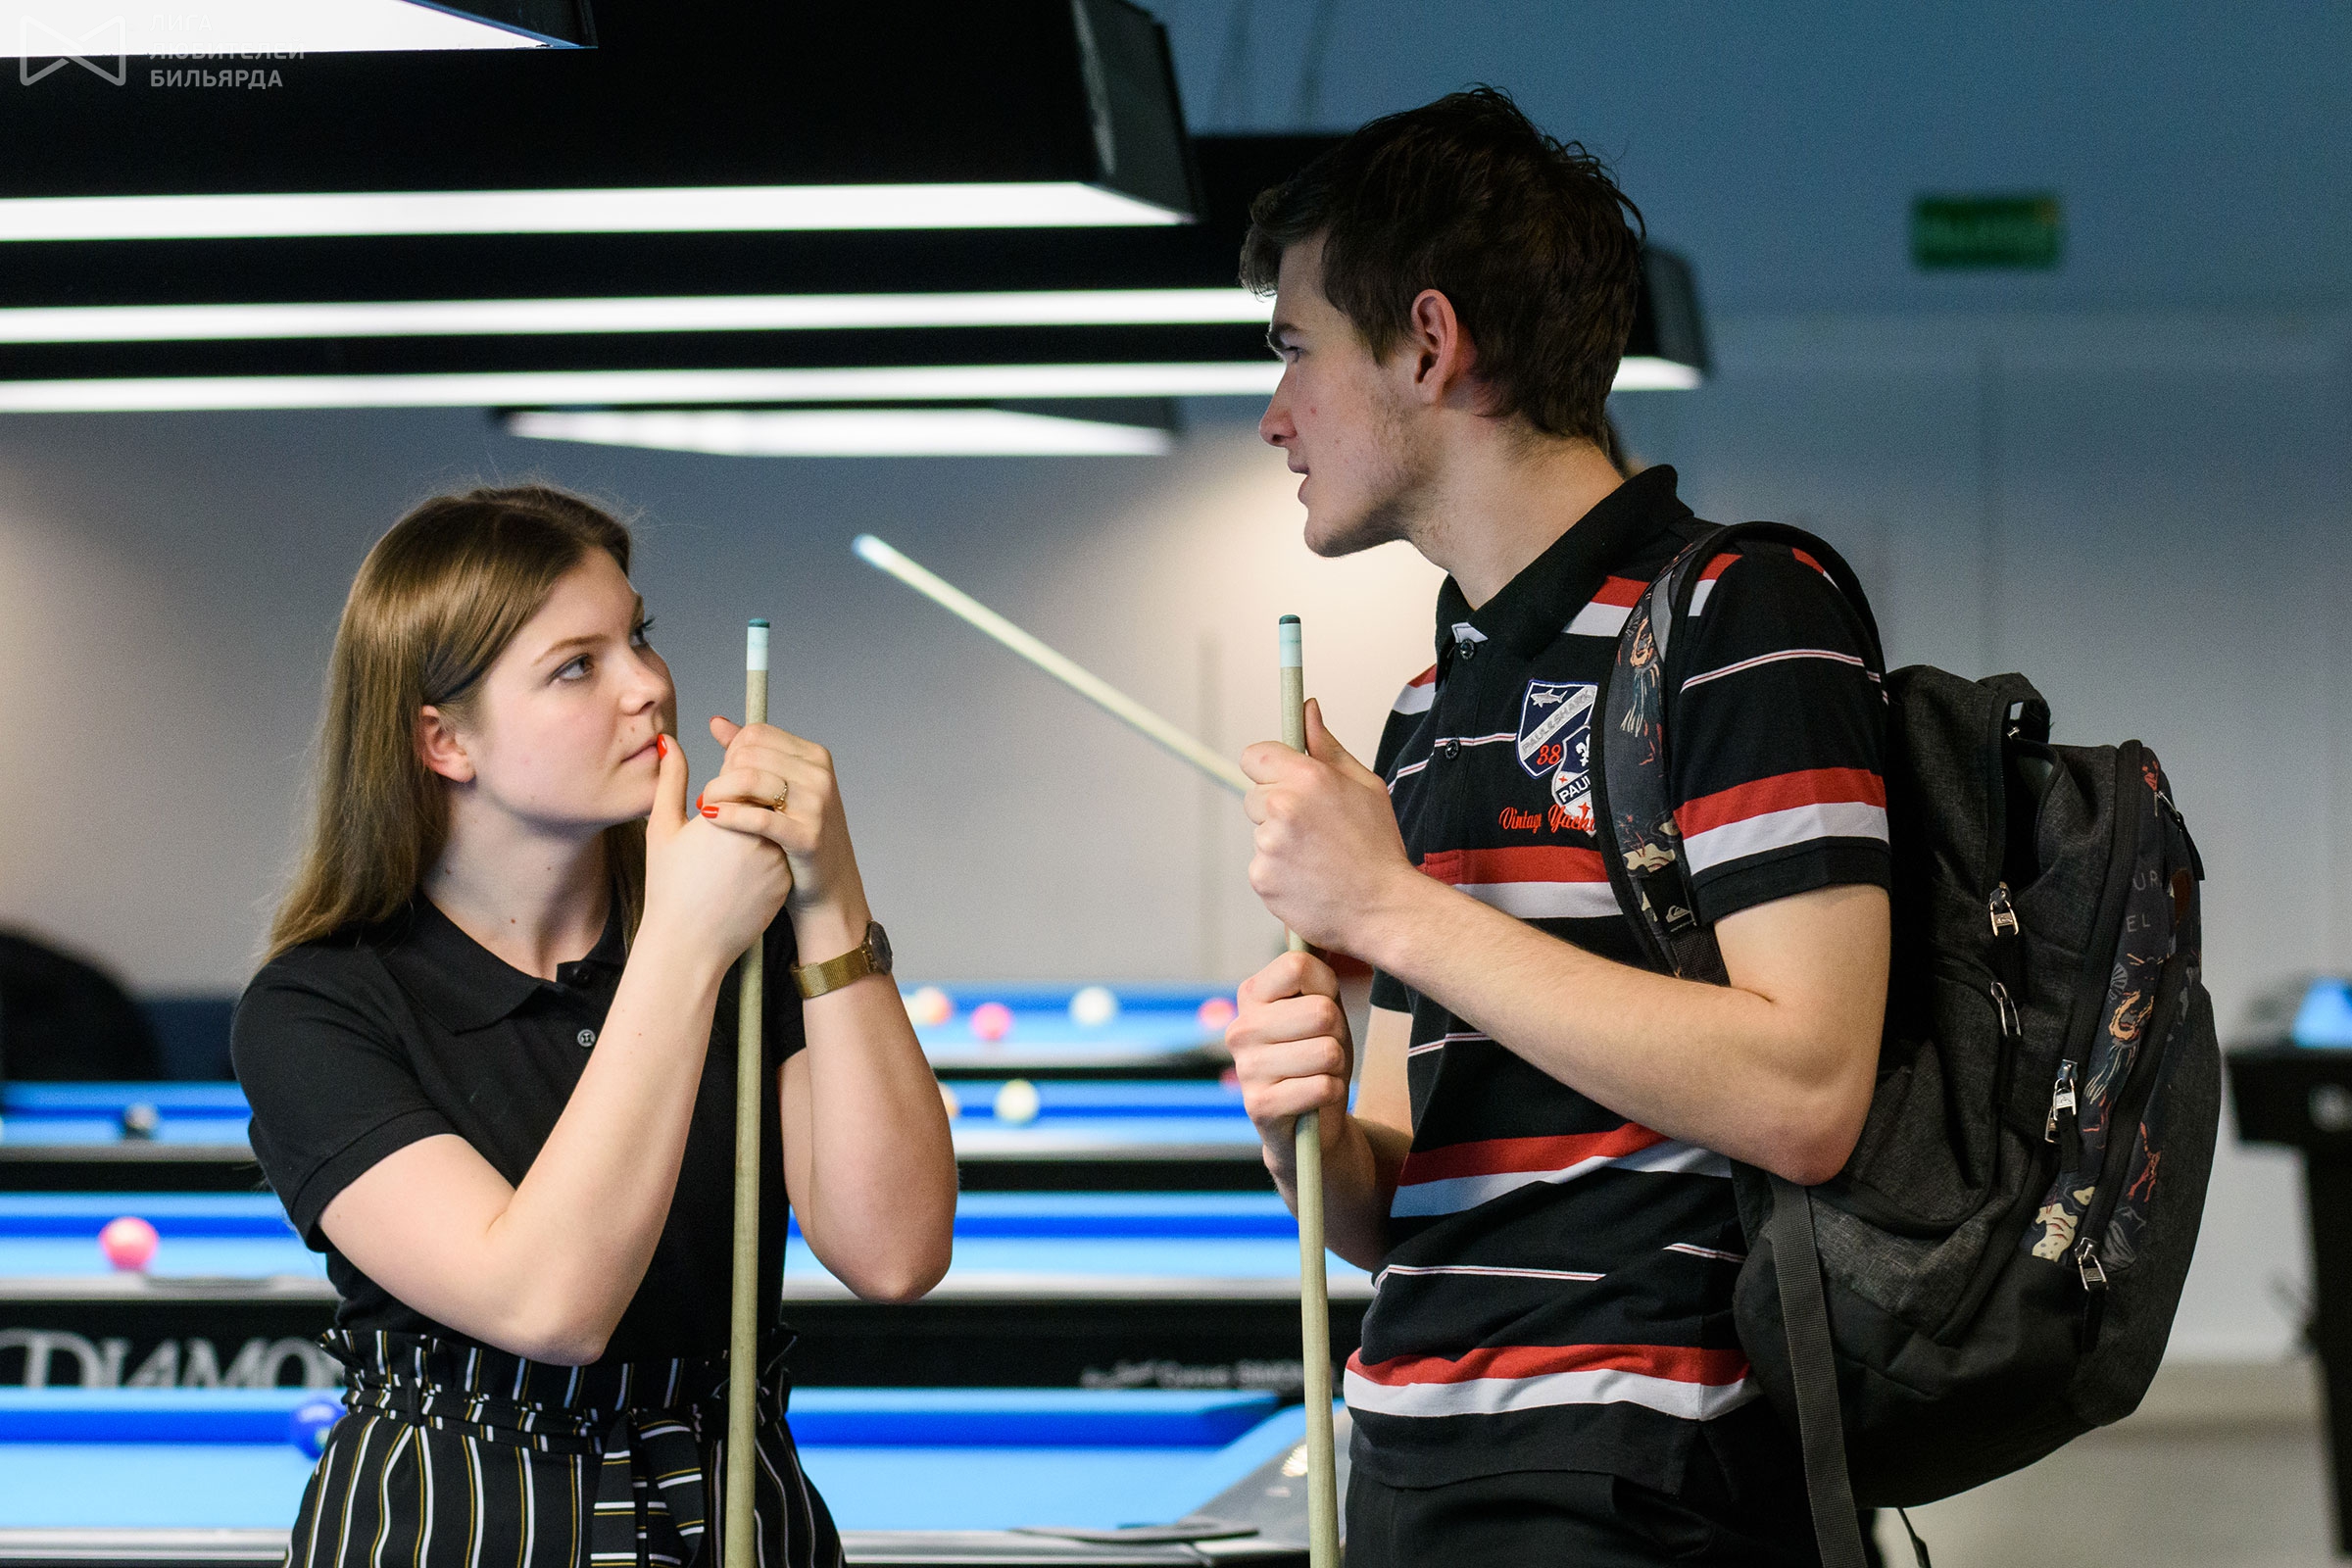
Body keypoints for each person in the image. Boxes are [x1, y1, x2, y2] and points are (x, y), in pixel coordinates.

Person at [1226, 91, 1891, 1566]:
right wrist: (1307, 1136)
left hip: (1646, 1477)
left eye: (1294, 349)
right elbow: (1414, 1200)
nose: (1274, 413)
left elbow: (1808, 1089)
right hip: (1416, 1461)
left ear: (1429, 343)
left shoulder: (1744, 617)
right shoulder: (1432, 702)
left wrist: (1391, 907)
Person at [233, 485, 956, 1568]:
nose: (649, 685)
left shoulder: (743, 944)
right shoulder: (317, 1007)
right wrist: (682, 945)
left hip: (737, 1521)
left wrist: (828, 889)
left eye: (639, 636)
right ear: (444, 739)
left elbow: (895, 1252)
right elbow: (549, 1305)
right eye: (578, 666)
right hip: (451, 1529)